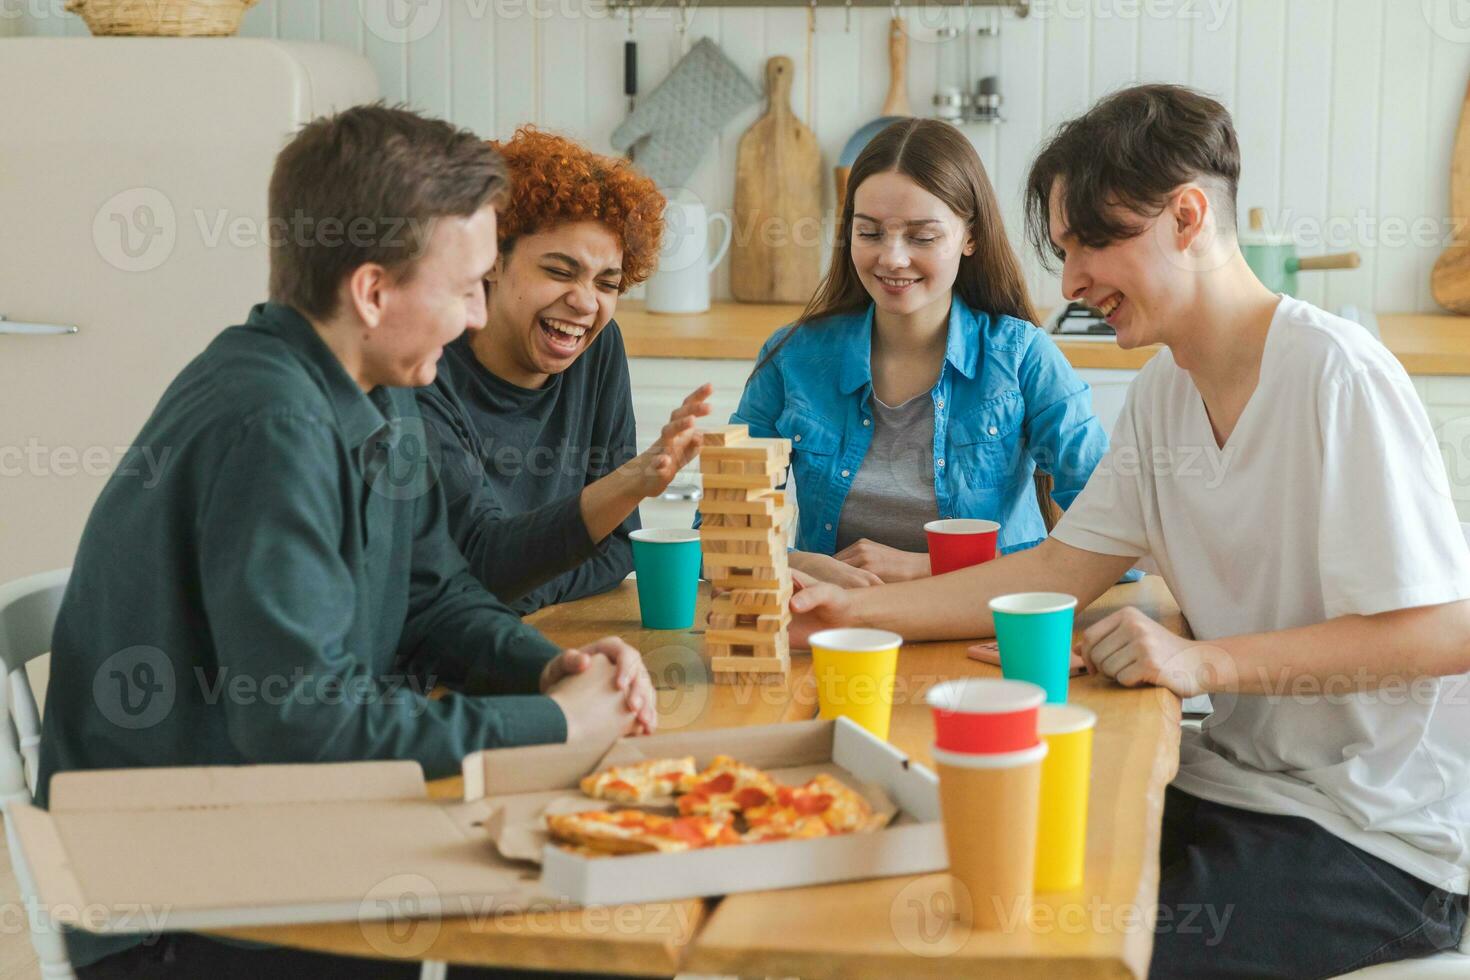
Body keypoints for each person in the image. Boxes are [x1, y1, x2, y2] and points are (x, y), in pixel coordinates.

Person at [787, 85, 1470, 977]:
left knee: (1079, 954)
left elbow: (1444, 632)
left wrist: (1202, 662)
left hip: (1377, 836)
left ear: (1188, 216)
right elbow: (1060, 567)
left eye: (1095, 244)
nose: (1070, 282)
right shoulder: (1163, 393)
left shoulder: (1334, 375)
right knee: (964, 878)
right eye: (1065, 251)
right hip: (1231, 783)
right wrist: (850, 617)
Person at [39, 105, 656, 979]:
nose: (481, 314)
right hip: (186, 902)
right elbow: (303, 726)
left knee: (581, 903)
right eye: (467, 285)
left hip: (285, 829)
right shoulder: (270, 426)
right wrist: (553, 724)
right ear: (373, 291)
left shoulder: (378, 380)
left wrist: (541, 669)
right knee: (561, 941)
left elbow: (433, 592)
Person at [725, 118, 1108, 588]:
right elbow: (720, 538)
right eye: (869, 233)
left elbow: (1117, 541)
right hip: (840, 635)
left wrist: (929, 569)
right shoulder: (791, 359)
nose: (892, 258)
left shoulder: (1023, 358)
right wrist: (799, 564)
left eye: (922, 237)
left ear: (971, 237)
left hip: (982, 633)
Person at [418, 128, 710, 615]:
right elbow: (474, 568)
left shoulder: (597, 351)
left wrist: (521, 591)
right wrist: (630, 481)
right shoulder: (424, 364)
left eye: (607, 283)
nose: (584, 302)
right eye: (559, 271)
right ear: (491, 260)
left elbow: (618, 547)